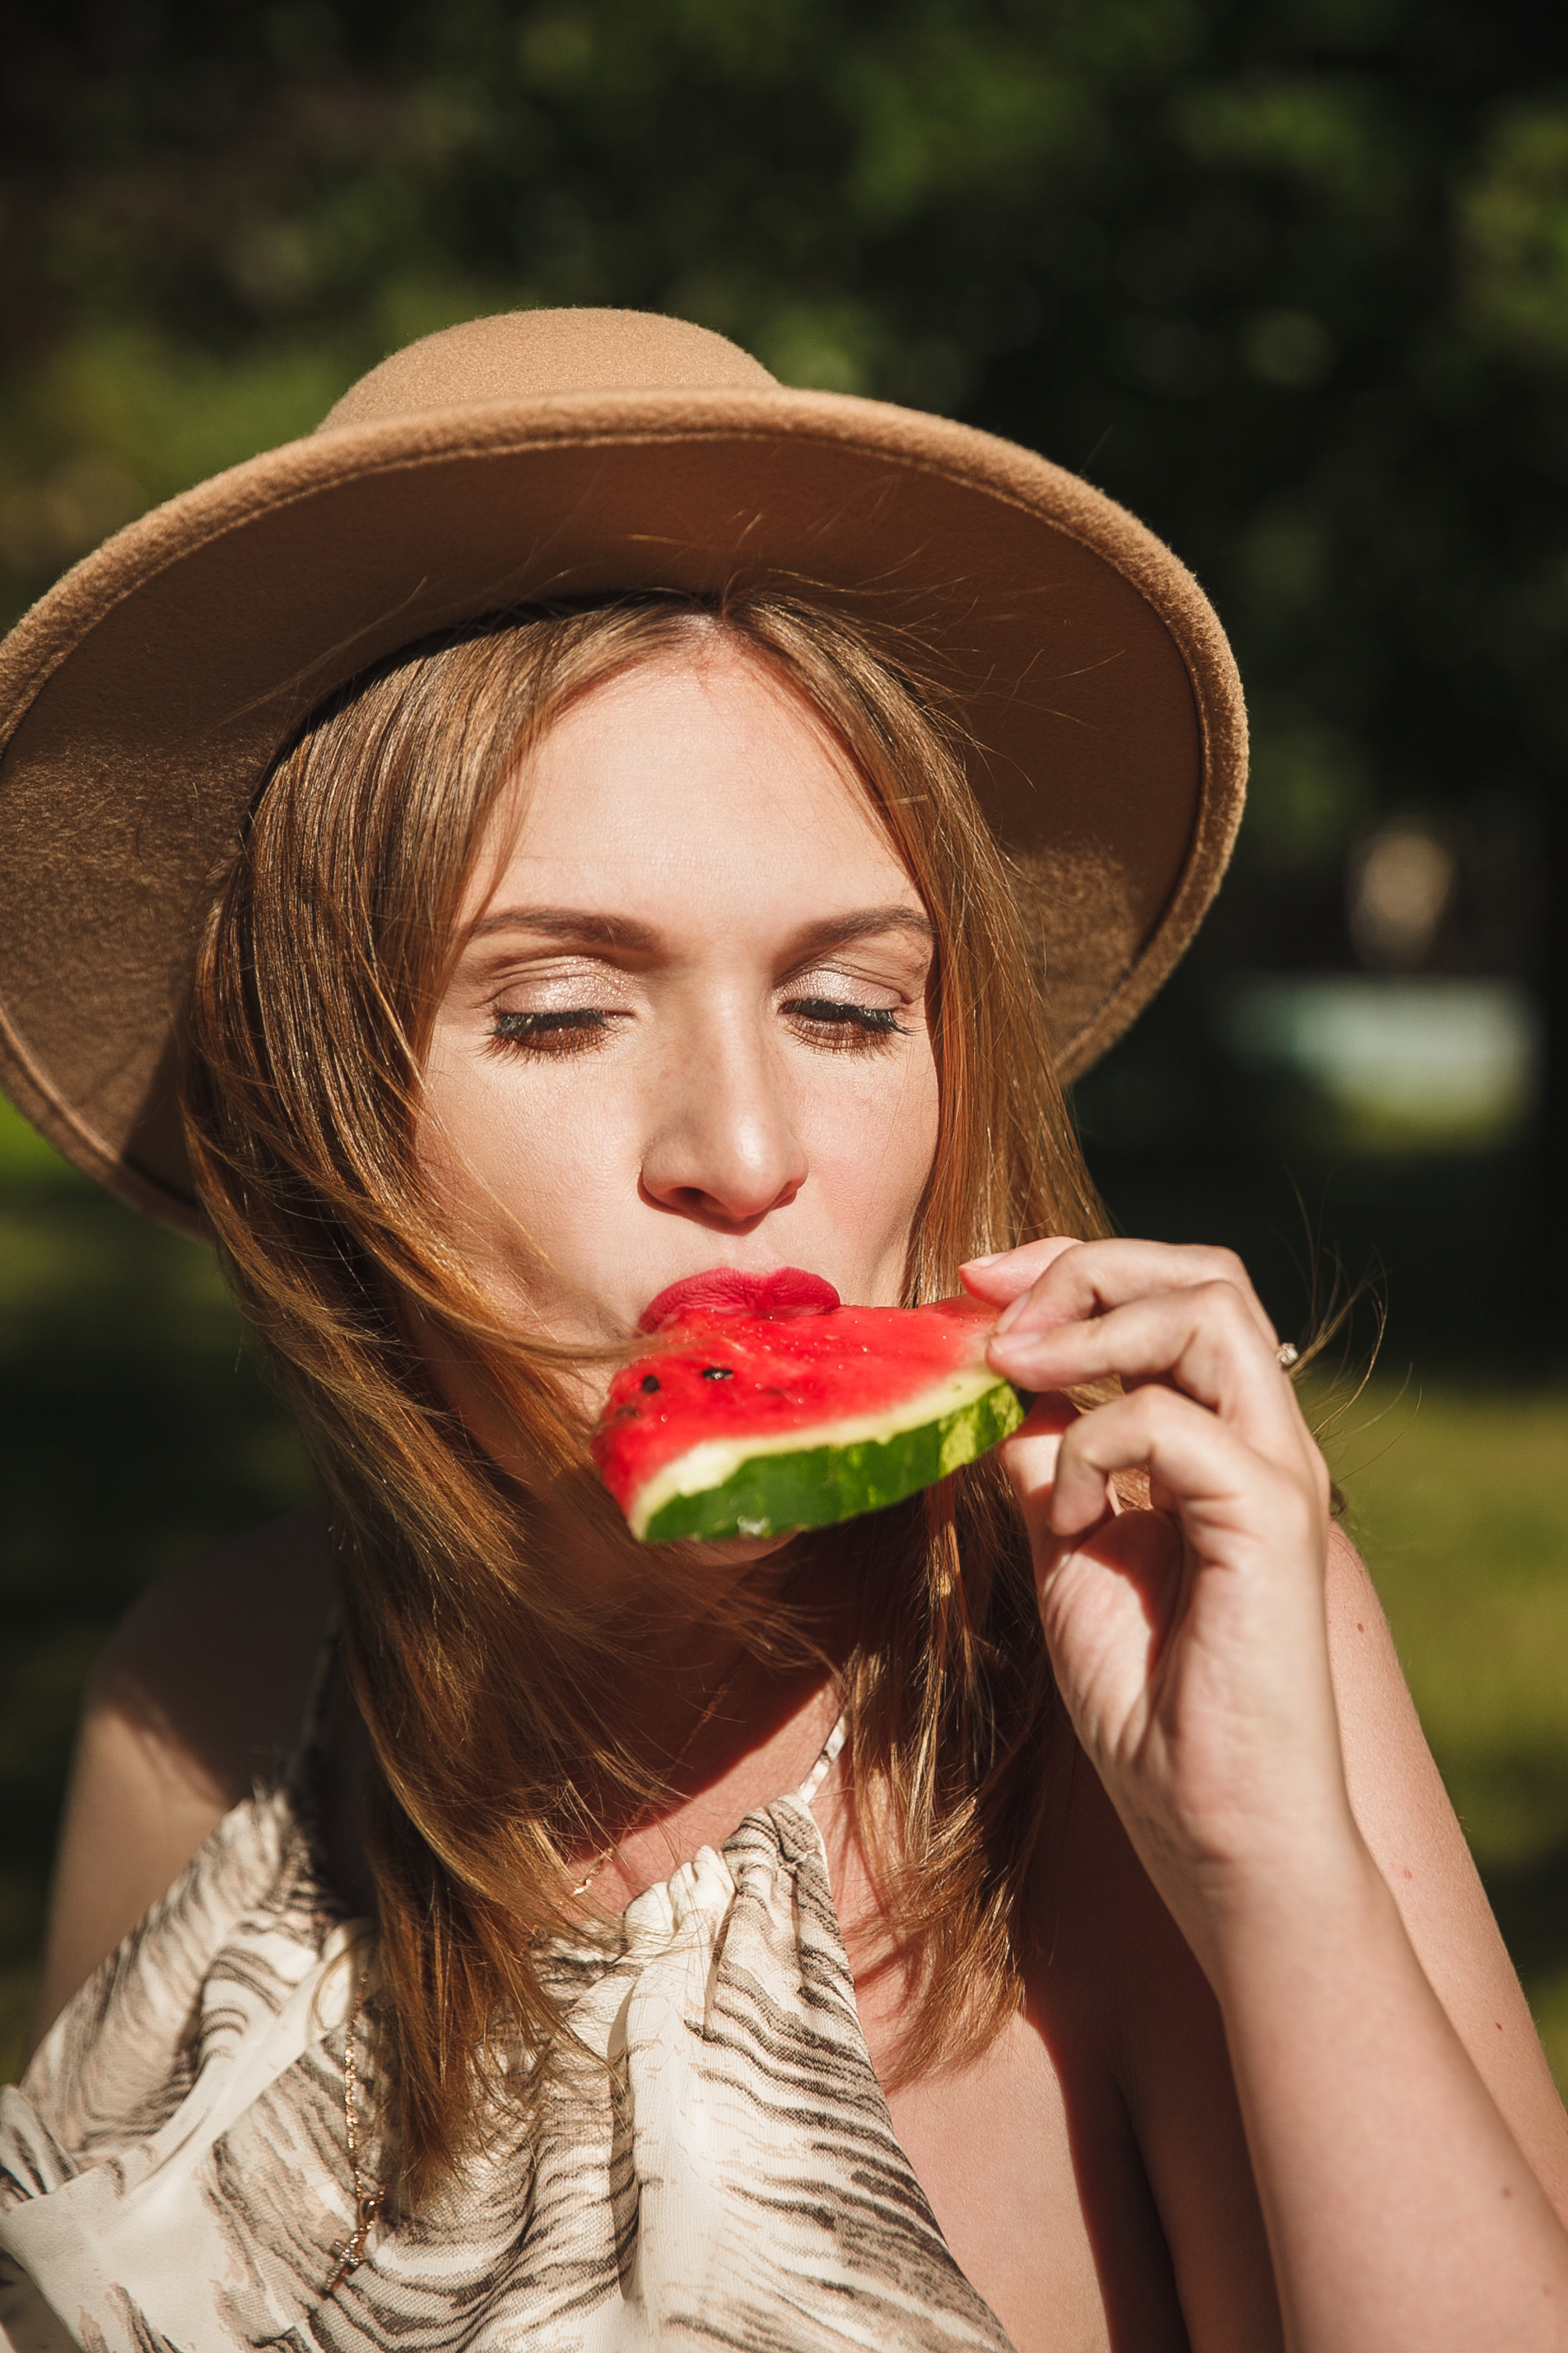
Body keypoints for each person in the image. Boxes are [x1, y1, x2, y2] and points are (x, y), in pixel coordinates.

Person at [0, 308, 1564, 2353]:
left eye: (846, 1007)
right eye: (559, 1009)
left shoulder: (1166, 1708)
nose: (748, 1152)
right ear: (314, 1110)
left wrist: (1272, 1858)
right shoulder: (196, 1699)